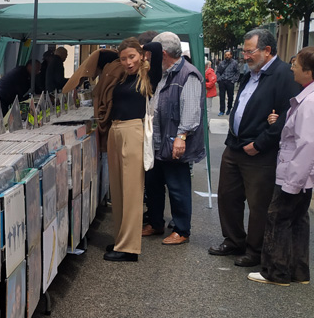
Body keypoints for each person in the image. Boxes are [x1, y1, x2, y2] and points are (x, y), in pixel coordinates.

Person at [208, 29, 301, 267]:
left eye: (250, 51)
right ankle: (234, 240)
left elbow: (287, 117)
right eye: (244, 51)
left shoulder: (284, 76)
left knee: (258, 203)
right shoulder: (250, 74)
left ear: (267, 51)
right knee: (228, 197)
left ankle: (255, 249)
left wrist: (260, 144)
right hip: (235, 146)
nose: (245, 56)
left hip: (259, 152)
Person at [81, 37, 162, 262]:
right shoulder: (125, 76)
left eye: (132, 57)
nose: (127, 62)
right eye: (124, 58)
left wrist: (141, 48)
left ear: (141, 56)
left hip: (133, 131)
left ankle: (129, 248)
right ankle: (121, 239)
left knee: (131, 190)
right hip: (117, 131)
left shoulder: (147, 77)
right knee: (117, 189)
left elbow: (157, 48)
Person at [247, 47, 314, 286]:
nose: (292, 68)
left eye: (296, 65)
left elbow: (306, 144)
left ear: (308, 71)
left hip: (294, 174)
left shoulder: (309, 102)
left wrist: (292, 183)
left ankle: (276, 271)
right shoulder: (306, 98)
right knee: (297, 221)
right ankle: (297, 270)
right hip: (301, 175)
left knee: (278, 219)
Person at [143, 32, 205, 245]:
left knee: (178, 188)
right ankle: (156, 222)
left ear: (163, 54)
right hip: (159, 142)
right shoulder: (164, 73)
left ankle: (181, 230)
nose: (148, 58)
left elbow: (190, 111)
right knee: (153, 185)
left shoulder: (188, 74)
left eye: (151, 54)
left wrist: (181, 137)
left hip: (173, 142)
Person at [215, 50, 239, 116]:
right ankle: (222, 110)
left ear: (231, 55)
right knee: (222, 97)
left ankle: (229, 109)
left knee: (230, 96)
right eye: (226, 55)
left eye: (228, 55)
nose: (227, 56)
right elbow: (218, 72)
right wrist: (219, 79)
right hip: (222, 81)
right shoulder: (221, 63)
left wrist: (233, 80)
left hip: (230, 81)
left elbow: (237, 72)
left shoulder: (234, 63)